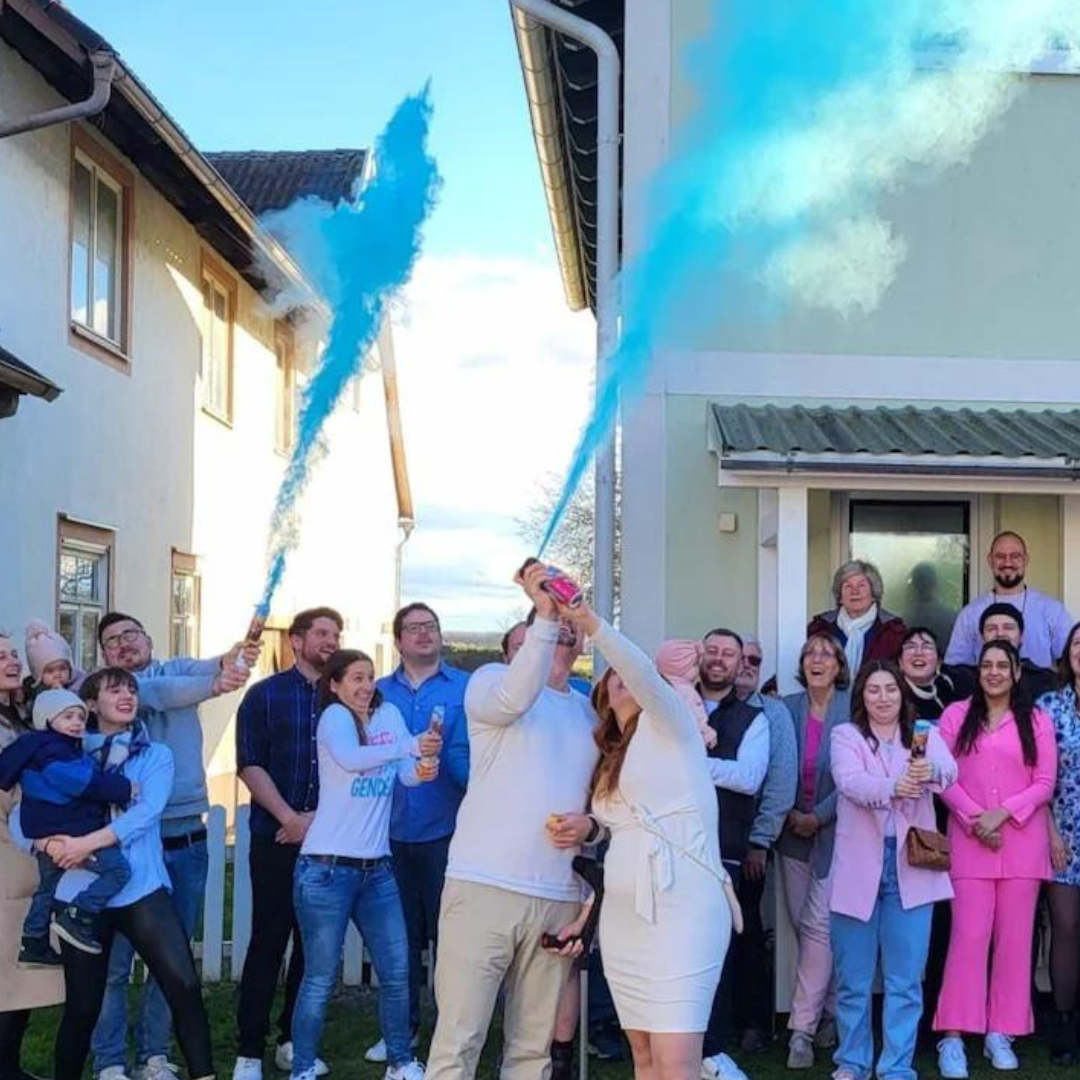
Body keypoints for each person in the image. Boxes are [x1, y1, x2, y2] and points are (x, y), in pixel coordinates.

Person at [551, 595, 737, 1080]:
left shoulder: (673, 726)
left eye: (630, 676)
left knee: (677, 1062)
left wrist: (588, 621)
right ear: (606, 698)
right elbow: (618, 844)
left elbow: (641, 673)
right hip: (623, 917)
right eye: (614, 679)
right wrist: (588, 916)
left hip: (684, 910)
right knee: (646, 1059)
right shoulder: (612, 760)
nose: (625, 682)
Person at [424, 563, 597, 1080]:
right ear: (519, 645)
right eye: (546, 630)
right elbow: (513, 698)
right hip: (483, 886)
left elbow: (607, 801)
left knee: (533, 1050)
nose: (559, 635)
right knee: (459, 1038)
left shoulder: (589, 715)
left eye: (567, 629)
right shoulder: (490, 683)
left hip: (557, 894)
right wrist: (544, 615)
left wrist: (590, 824)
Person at [20, 667, 215, 1080]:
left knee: (185, 988)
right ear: (90, 703)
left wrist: (85, 844)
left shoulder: (154, 754)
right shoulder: (64, 752)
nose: (126, 695)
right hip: (81, 893)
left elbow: (146, 813)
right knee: (83, 1008)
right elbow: (22, 817)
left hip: (141, 888)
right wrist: (50, 844)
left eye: (131, 689)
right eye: (114, 689)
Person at [92, 612, 252, 1080]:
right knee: (114, 963)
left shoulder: (178, 669)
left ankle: (154, 1056)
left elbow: (207, 668)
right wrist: (217, 682)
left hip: (185, 838)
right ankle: (109, 1062)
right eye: (112, 640)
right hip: (125, 842)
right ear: (104, 655)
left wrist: (232, 659)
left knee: (172, 959)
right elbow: (157, 693)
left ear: (149, 638)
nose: (123, 644)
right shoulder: (106, 689)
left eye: (131, 635)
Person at [290, 649, 442, 1080]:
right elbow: (350, 759)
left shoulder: (389, 715)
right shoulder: (334, 719)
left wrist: (424, 761)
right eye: (355, 678)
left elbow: (408, 775)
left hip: (378, 869)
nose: (365, 685)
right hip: (326, 869)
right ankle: (302, 1067)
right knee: (320, 977)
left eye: (370, 676)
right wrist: (409, 746)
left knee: (395, 972)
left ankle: (400, 1061)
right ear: (334, 685)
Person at [828, 661, 957, 1080]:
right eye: (874, 690)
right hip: (858, 867)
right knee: (853, 979)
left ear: (903, 695)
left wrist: (932, 770)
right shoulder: (846, 735)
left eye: (891, 690)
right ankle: (853, 1061)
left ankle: (896, 1066)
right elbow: (849, 782)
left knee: (905, 979)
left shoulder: (924, 733)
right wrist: (893, 788)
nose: (883, 698)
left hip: (912, 866)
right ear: (861, 696)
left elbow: (950, 772)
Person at [934, 640, 1057, 1077]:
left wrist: (1002, 812)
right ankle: (953, 1036)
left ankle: (1000, 1033)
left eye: (1002, 665)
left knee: (1014, 942)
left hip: (1022, 846)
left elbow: (1045, 781)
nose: (994, 672)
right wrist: (973, 819)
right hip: (970, 846)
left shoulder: (1036, 720)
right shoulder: (955, 716)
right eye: (986, 665)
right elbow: (941, 774)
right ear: (978, 671)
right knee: (968, 937)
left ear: (1016, 672)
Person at [233, 607, 344, 1080]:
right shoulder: (265, 695)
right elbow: (249, 762)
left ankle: (293, 1040)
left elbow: (354, 768)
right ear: (296, 640)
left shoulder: (345, 700)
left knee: (314, 945)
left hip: (329, 839)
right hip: (275, 836)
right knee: (268, 939)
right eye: (322, 633)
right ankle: (249, 1051)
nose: (331, 641)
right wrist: (288, 817)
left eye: (337, 634)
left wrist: (314, 822)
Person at [365, 605, 469, 1065]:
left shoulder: (466, 687)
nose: (424, 634)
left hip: (450, 829)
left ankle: (452, 1031)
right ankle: (399, 1031)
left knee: (451, 939)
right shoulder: (375, 693)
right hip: (386, 833)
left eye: (431, 627)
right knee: (397, 941)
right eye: (414, 628)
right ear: (399, 640)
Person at [0, 688, 133, 959]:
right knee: (118, 871)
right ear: (47, 720)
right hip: (72, 829)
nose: (76, 723)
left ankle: (33, 941)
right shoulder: (53, 750)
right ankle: (78, 915)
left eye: (81, 718)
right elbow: (80, 783)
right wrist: (124, 788)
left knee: (48, 886)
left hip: (46, 831)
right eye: (68, 717)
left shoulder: (42, 748)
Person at [697, 629, 769, 1080]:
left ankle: (713, 1050)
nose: (720, 660)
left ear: (741, 663)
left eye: (730, 654)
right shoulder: (671, 703)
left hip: (722, 851)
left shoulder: (751, 719)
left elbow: (749, 777)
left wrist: (691, 765)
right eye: (714, 651)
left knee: (716, 953)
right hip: (667, 849)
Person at [778, 635, 852, 1069]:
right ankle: (829, 1015)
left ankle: (800, 1032)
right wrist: (791, 814)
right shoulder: (785, 708)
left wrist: (818, 817)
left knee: (819, 925)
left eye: (827, 653)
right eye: (810, 652)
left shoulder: (852, 708)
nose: (817, 659)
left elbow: (854, 776)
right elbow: (776, 765)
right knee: (802, 926)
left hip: (837, 833)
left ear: (840, 666)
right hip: (791, 833)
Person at [894, 626, 970, 1045]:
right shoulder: (889, 698)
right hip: (907, 819)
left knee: (943, 921)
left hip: (954, 820)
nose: (919, 651)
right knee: (908, 922)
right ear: (899, 658)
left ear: (939, 659)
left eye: (927, 646)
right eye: (911, 646)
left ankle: (940, 1016)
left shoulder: (956, 701)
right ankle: (907, 1021)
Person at [0, 629, 64, 1080]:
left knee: (19, 977)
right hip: (6, 855)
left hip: (26, 854)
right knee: (8, 974)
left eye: (10, 654)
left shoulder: (21, 713)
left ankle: (9, 1066)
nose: (10, 661)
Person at [733, 635, 798, 1053]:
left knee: (747, 931)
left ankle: (753, 1022)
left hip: (748, 845)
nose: (749, 665)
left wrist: (760, 841)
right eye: (743, 657)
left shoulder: (772, 713)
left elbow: (780, 780)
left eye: (756, 660)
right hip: (699, 840)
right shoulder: (699, 704)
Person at [1038, 621, 1080, 1065]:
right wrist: (1049, 831)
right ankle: (1063, 1024)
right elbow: (1040, 778)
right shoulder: (1050, 707)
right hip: (1063, 834)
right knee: (1066, 930)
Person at [945, 531, 1073, 670]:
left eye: (1015, 556)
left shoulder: (1052, 610)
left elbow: (1071, 664)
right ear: (990, 560)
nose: (1007, 562)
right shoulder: (970, 614)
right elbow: (956, 670)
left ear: (1026, 560)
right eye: (1000, 556)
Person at [807, 560, 907, 675]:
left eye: (861, 585)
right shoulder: (819, 628)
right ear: (840, 596)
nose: (855, 591)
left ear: (873, 594)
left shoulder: (894, 630)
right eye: (848, 586)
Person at [969, 602, 1055, 700]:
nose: (1000, 634)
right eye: (992, 628)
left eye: (1008, 628)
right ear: (982, 638)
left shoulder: (1046, 681)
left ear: (1021, 636)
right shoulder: (967, 680)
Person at [897, 627, 973, 720]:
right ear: (900, 662)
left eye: (926, 647)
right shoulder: (892, 695)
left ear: (939, 662)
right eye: (911, 647)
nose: (918, 653)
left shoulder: (951, 686)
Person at [656, 639, 715, 748]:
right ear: (682, 667)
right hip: (689, 745)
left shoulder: (661, 689)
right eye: (696, 665)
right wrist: (708, 735)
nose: (698, 670)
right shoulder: (686, 692)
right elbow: (697, 719)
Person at [22, 620, 81, 702]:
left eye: (63, 668)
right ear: (38, 676)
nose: (57, 674)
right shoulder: (34, 695)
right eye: (50, 671)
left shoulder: (79, 688)